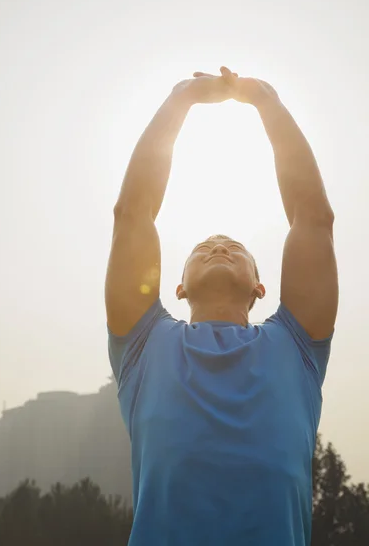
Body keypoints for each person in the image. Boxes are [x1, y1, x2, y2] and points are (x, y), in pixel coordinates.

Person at [105, 66, 338, 546]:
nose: (217, 245)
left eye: (235, 247)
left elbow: (312, 219)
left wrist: (266, 103)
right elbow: (133, 215)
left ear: (259, 286)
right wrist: (181, 99)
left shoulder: (296, 346)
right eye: (203, 246)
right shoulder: (144, 346)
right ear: (179, 288)